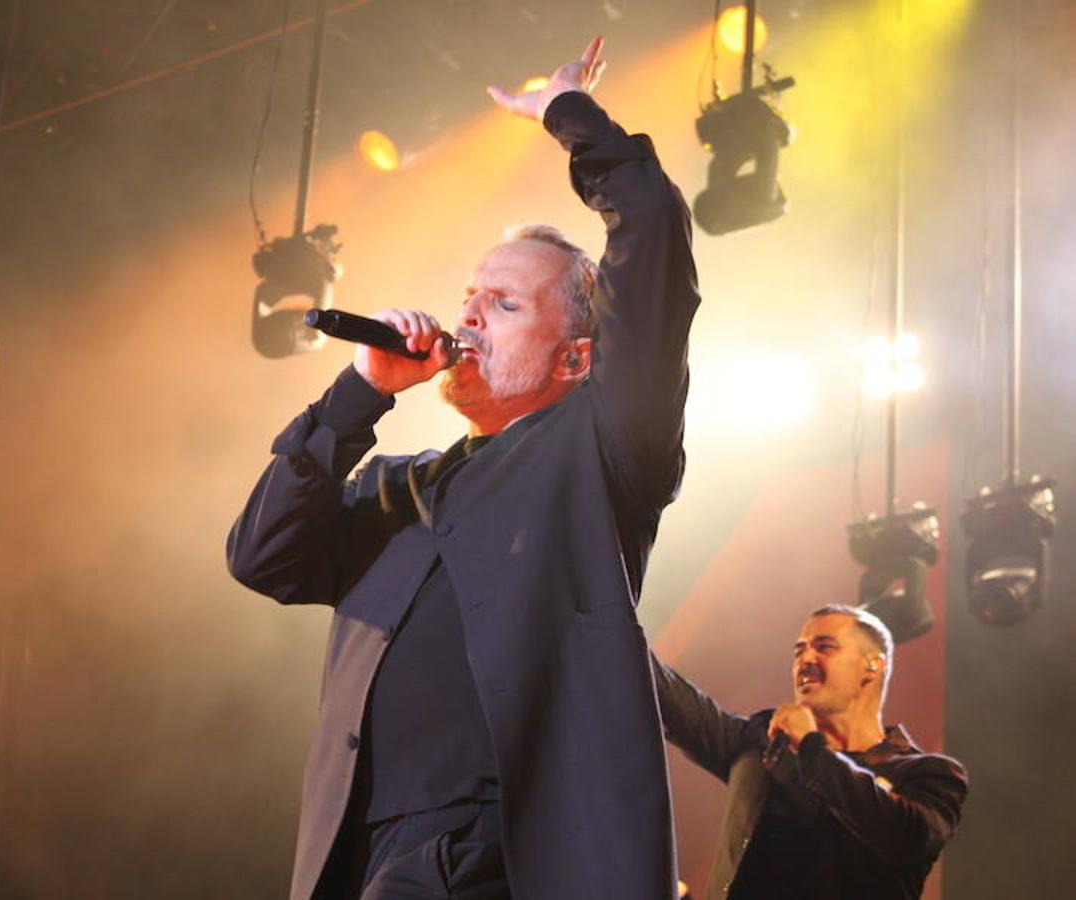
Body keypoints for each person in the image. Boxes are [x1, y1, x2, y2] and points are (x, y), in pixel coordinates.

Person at [228, 37, 701, 900]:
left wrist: (568, 114)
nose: (470, 319)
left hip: (504, 853)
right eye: (470, 298)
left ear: (577, 358)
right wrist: (358, 395)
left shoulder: (602, 448)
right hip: (369, 858)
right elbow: (263, 555)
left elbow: (656, 229)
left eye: (506, 304)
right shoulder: (397, 487)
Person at [652, 606, 968, 900]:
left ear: (873, 665)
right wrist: (610, 623)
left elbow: (906, 837)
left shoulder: (929, 775)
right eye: (799, 650)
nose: (806, 660)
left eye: (824, 646)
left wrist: (812, 747)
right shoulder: (759, 745)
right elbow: (668, 696)